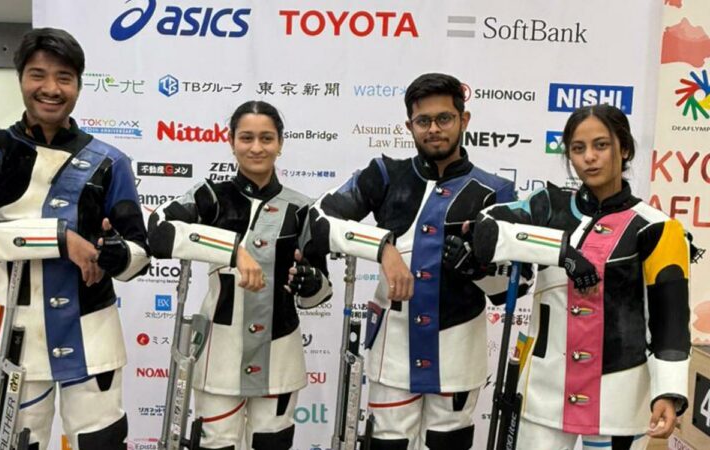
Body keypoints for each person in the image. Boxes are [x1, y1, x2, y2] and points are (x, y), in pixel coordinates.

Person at [0, 28, 149, 449]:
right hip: (16, 336)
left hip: (93, 333)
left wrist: (115, 255)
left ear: (79, 84)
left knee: (103, 441)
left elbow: (140, 250)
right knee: (18, 442)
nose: (51, 89)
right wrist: (60, 239)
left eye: (65, 77)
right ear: (20, 78)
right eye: (38, 75)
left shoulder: (111, 162)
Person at [311, 73, 519, 450]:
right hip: (394, 349)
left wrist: (476, 268)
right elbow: (320, 220)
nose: (434, 129)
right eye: (424, 121)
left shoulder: (496, 191)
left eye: (445, 118)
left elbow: (513, 288)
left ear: (464, 120)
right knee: (389, 444)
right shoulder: (386, 174)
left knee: (448, 443)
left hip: (457, 351)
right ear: (410, 126)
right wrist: (381, 247)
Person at [468, 104, 692, 449]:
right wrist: (561, 252)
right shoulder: (546, 206)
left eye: (601, 145)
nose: (589, 157)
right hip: (544, 392)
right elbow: (482, 229)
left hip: (619, 399)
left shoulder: (659, 228)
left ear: (625, 148)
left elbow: (671, 324)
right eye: (578, 148)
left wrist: (668, 392)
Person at [148, 100, 334, 450]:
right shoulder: (209, 197)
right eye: (246, 137)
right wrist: (232, 250)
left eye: (266, 138)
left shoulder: (304, 209)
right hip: (219, 351)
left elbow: (321, 293)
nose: (256, 147)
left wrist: (311, 283)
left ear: (281, 143)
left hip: (280, 352)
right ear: (230, 140)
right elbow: (158, 231)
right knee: (216, 444)